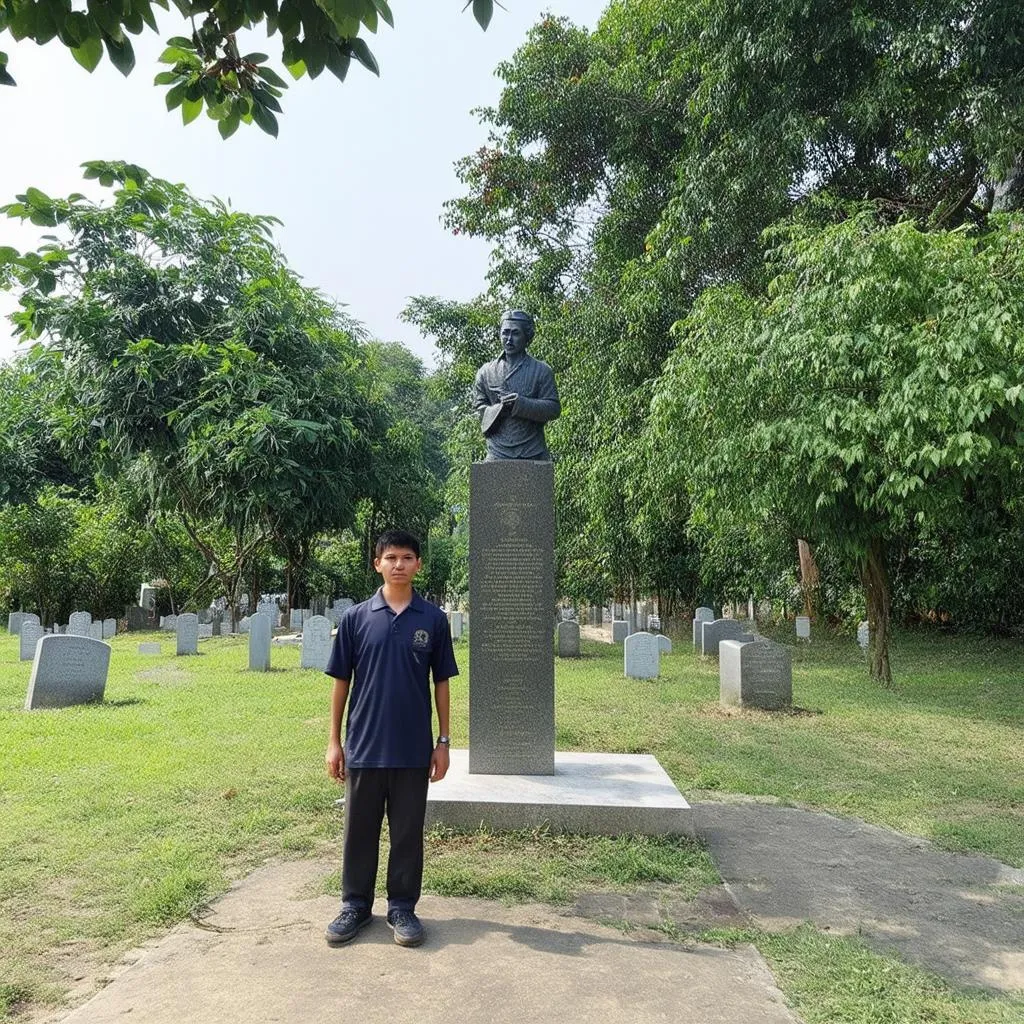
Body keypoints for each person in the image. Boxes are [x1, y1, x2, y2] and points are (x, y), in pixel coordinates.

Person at [323, 529, 458, 948]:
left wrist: (443, 741)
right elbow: (341, 682)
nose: (398, 564)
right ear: (377, 564)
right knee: (359, 831)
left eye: (407, 557)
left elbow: (442, 683)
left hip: (413, 748)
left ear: (418, 564)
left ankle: (402, 907)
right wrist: (334, 741)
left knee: (406, 832)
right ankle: (355, 905)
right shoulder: (356, 619)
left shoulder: (433, 619)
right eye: (391, 557)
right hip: (363, 745)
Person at [472, 309, 560, 461]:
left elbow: (553, 409)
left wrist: (521, 404)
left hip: (532, 449)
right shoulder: (486, 372)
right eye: (505, 333)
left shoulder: (542, 370)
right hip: (497, 451)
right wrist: (499, 409)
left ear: (527, 336)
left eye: (515, 333)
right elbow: (478, 408)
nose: (509, 339)